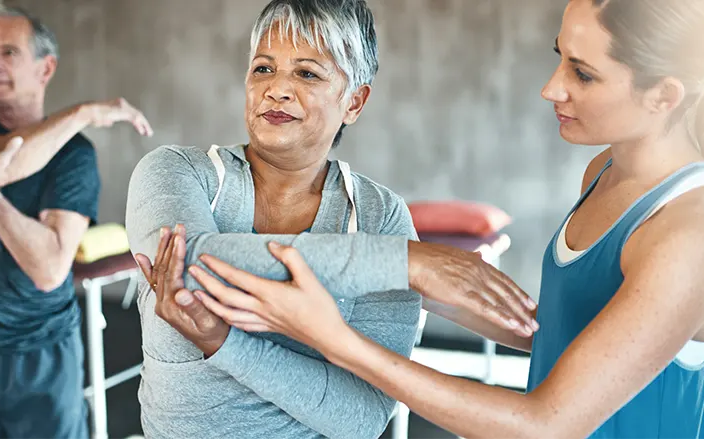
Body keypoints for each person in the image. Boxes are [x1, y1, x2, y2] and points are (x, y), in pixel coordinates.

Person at [176, 0, 704, 438]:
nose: (552, 87)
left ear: (664, 95)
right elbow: (577, 334)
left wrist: (333, 337)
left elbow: (548, 425)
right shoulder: (601, 171)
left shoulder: (697, 227)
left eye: (583, 74)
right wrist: (419, 277)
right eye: (559, 54)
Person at [125, 1, 536, 438]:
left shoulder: (379, 217)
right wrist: (403, 263)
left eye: (307, 73)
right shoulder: (175, 171)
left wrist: (223, 343)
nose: (277, 89)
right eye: (263, 68)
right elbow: (189, 264)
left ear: (355, 101)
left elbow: (361, 419)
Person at [0, 6, 153, 439]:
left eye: (9, 51)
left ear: (45, 68)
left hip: (38, 358)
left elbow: (49, 269)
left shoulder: (74, 155)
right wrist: (85, 112)